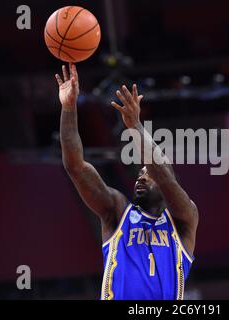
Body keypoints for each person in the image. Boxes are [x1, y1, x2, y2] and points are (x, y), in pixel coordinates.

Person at [55, 64, 199, 300]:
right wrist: (68, 108)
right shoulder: (118, 210)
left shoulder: (184, 220)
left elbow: (163, 176)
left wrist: (136, 127)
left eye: (147, 173)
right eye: (140, 172)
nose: (141, 176)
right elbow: (75, 167)